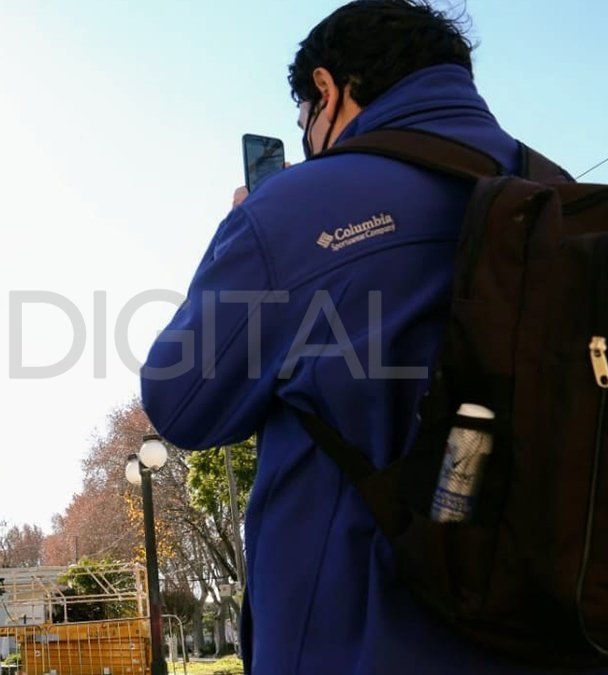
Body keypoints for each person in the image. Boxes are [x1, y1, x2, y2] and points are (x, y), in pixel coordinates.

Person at [141, 2, 567, 673]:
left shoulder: (295, 207)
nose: (309, 138)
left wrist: (243, 231)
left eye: (305, 119)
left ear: (328, 90)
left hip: (359, 643)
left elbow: (182, 401)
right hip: (561, 635)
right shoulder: (561, 202)